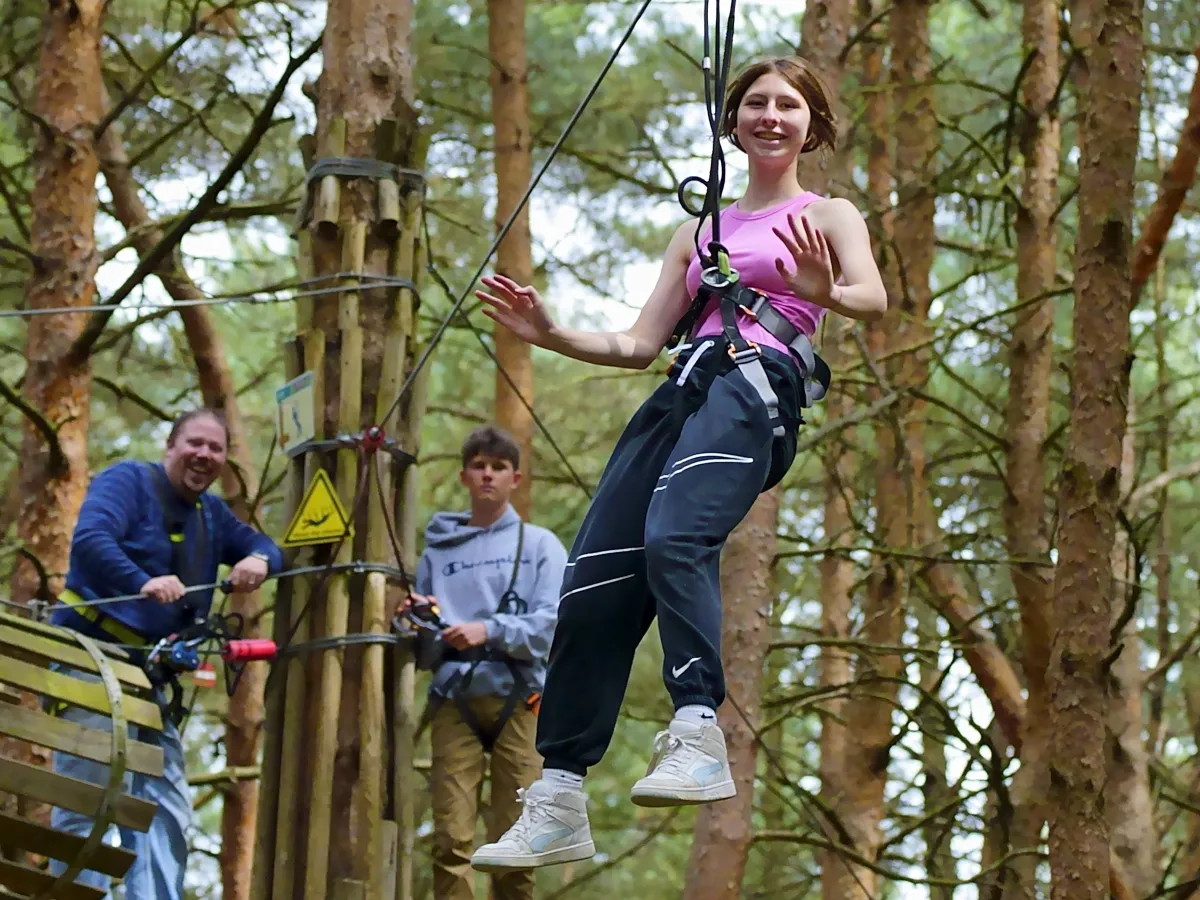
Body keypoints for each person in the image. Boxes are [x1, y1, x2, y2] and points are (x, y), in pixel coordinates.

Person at [468, 56, 888, 872]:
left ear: (813, 125)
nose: (771, 116)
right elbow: (636, 342)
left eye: (788, 105)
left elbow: (872, 297)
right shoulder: (699, 232)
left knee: (674, 535)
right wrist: (552, 334)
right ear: (732, 123)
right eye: (756, 104)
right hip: (681, 393)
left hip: (755, 390)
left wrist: (822, 288)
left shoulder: (828, 214)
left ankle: (698, 728)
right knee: (592, 580)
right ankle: (558, 793)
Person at [48, 408, 284, 900]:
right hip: (91, 657)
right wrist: (142, 582)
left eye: (215, 448)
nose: (204, 455)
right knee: (87, 799)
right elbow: (91, 539)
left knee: (163, 811)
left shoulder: (212, 515)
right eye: (194, 443)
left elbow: (267, 546)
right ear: (170, 447)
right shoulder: (127, 482)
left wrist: (258, 560)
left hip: (149, 678)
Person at [405, 425, 567, 900]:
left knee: (517, 839)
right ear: (464, 476)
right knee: (450, 838)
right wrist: (415, 621)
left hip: (520, 696)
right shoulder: (439, 552)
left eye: (498, 467)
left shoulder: (539, 545)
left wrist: (490, 628)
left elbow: (553, 622)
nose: (488, 476)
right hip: (454, 697)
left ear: (515, 478)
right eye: (479, 466)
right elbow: (423, 644)